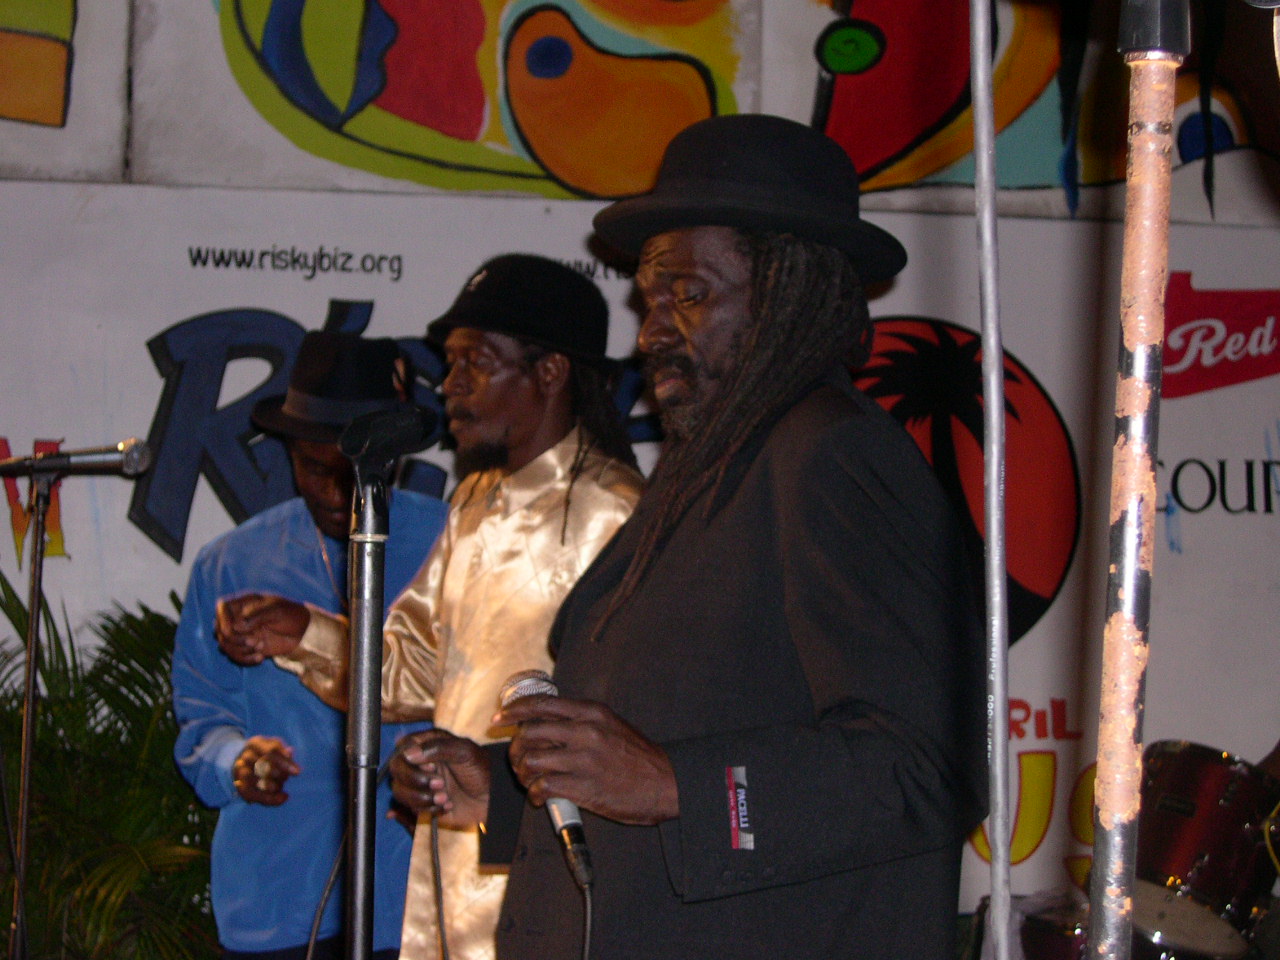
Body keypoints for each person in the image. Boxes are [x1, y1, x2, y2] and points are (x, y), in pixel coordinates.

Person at [391, 114, 990, 960]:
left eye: (692, 295)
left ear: (786, 295)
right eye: (652, 299)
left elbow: (928, 767)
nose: (652, 331)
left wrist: (675, 784)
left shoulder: (833, 455)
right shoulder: (707, 469)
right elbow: (676, 742)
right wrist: (510, 791)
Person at [216, 255, 644, 960]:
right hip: (448, 874)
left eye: (476, 362)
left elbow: (628, 726)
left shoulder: (616, 516)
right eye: (450, 364)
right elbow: (412, 671)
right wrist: (302, 634)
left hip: (547, 881)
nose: (450, 385)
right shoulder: (474, 502)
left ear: (550, 371)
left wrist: (488, 773)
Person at [172, 331, 449, 960]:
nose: (331, 492)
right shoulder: (232, 562)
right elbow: (202, 718)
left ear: (391, 460)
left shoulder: (452, 544)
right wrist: (237, 760)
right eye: (312, 468)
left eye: (349, 474)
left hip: (419, 901)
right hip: (278, 897)